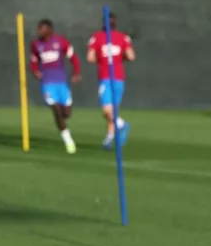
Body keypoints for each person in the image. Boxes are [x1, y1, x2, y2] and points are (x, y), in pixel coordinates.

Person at [30, 19, 80, 154]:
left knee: (66, 113)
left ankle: (63, 125)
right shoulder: (35, 45)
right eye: (38, 28)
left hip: (61, 83)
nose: (39, 31)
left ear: (49, 29)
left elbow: (73, 57)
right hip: (47, 84)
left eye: (42, 28)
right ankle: (69, 141)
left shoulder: (61, 41)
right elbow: (33, 61)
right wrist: (35, 71)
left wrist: (76, 72)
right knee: (56, 111)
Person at [86, 13, 135, 150]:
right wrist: (118, 59)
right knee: (111, 110)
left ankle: (122, 125)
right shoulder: (123, 37)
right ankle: (109, 138)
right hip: (119, 78)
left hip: (107, 78)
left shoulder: (97, 37)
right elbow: (131, 56)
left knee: (107, 110)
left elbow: (90, 58)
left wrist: (102, 61)